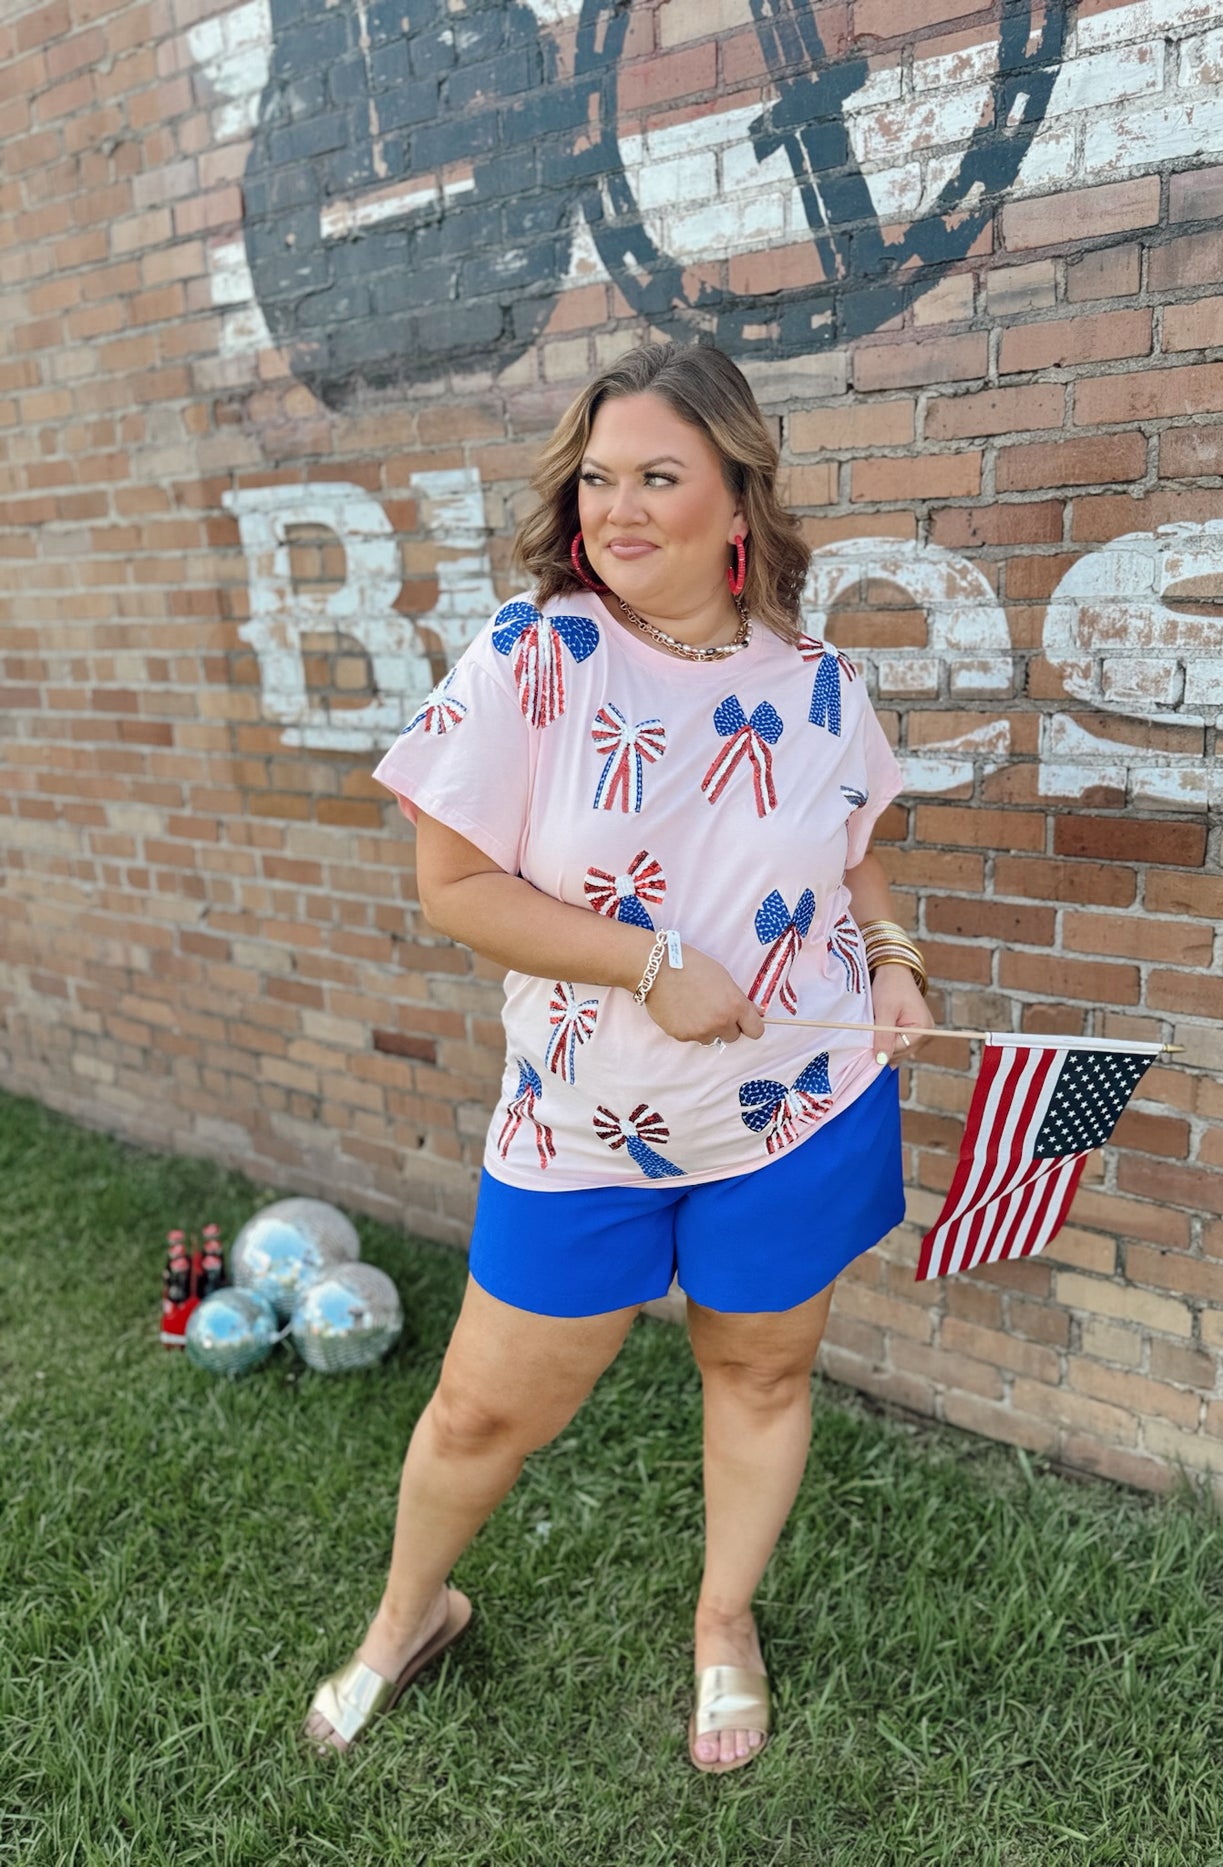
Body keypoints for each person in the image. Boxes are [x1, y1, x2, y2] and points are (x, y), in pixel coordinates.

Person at [303, 341, 937, 1773]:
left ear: (737, 504)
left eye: (661, 475)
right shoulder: (535, 658)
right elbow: (454, 889)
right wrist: (648, 963)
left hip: (796, 1110)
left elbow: (861, 868)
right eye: (600, 477)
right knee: (480, 1408)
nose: (621, 507)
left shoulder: (823, 683)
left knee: (763, 1376)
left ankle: (724, 1621)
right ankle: (410, 1613)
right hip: (582, 1126)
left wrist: (894, 969)